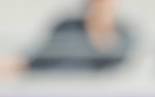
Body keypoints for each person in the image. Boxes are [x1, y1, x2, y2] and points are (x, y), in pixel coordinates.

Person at [0, 0, 132, 75]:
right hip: (54, 89)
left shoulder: (124, 36)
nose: (103, 9)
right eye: (99, 4)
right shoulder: (68, 28)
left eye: (108, 6)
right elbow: (38, 59)